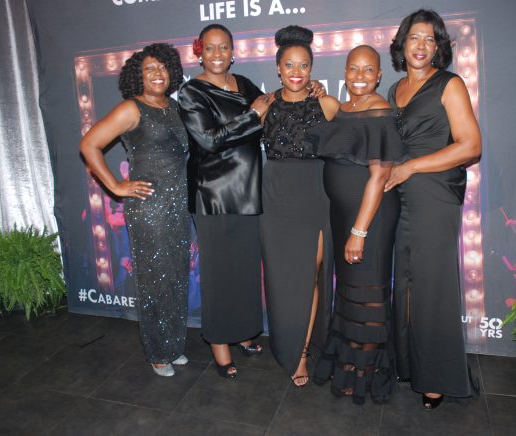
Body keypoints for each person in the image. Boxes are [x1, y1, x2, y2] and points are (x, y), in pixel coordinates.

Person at [385, 9, 482, 409]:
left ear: (439, 46)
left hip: (434, 195)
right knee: (406, 284)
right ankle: (410, 366)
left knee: (432, 286)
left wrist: (411, 167)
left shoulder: (449, 84)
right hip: (400, 197)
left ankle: (437, 378)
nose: (421, 45)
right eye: (414, 37)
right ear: (402, 44)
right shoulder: (394, 90)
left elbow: (470, 146)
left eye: (429, 38)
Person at [80, 44, 190, 377]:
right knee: (154, 279)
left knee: (176, 277)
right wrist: (116, 186)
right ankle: (157, 352)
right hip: (149, 208)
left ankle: (173, 344)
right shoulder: (132, 108)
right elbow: (89, 144)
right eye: (149, 69)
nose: (158, 74)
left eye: (163, 67)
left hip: (177, 206)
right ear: (137, 76)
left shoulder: (175, 107)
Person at [177, 24, 274, 378]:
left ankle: (244, 332)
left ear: (233, 52)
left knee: (245, 271)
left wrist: (310, 90)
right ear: (199, 52)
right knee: (219, 275)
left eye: (224, 47)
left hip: (248, 190)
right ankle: (219, 342)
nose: (217, 54)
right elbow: (209, 140)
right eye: (210, 47)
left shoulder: (244, 84)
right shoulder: (191, 92)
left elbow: (271, 112)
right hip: (213, 194)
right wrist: (253, 115)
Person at [310, 45, 403, 405]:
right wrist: (320, 92)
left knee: (368, 298)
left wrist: (359, 232)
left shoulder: (380, 112)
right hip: (343, 217)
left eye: (367, 70)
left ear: (379, 75)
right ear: (345, 72)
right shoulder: (346, 108)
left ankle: (365, 372)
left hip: (370, 220)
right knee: (350, 295)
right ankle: (350, 364)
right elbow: (334, 113)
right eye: (353, 69)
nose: (359, 76)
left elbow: (379, 177)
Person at [260, 25, 339, 387]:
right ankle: (285, 341)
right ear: (278, 68)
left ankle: (303, 352)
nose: (296, 72)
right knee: (282, 280)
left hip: (315, 196)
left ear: (311, 69)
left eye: (303, 65)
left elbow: (355, 144)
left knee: (311, 274)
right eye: (289, 65)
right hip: (276, 199)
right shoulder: (264, 105)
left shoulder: (327, 104)